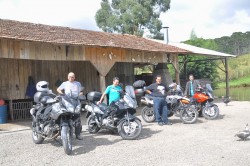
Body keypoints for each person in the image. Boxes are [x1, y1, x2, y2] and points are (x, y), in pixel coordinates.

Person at [57, 72, 83, 140]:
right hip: (67, 101)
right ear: (68, 77)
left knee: (77, 117)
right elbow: (58, 89)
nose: (71, 78)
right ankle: (64, 131)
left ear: (74, 77)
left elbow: (80, 91)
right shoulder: (65, 83)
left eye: (72, 77)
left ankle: (78, 134)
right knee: (66, 115)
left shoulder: (78, 83)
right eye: (70, 77)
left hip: (76, 101)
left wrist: (79, 94)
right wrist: (62, 94)